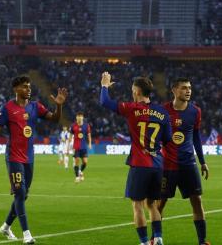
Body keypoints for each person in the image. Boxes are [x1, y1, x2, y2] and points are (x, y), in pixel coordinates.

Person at [0, 75, 67, 244]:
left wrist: (59, 105)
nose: (29, 89)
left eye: (29, 86)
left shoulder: (35, 106)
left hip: (29, 158)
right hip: (13, 157)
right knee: (20, 193)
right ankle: (27, 234)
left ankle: (5, 226)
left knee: (23, 195)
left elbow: (55, 119)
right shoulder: (7, 108)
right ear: (16, 89)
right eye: (25, 87)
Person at [99, 72, 172, 245]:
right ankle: (159, 238)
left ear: (138, 92)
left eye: (133, 90)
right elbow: (168, 139)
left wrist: (104, 85)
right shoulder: (162, 111)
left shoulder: (131, 108)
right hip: (157, 164)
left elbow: (104, 102)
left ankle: (145, 242)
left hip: (140, 164)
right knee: (152, 204)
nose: (132, 93)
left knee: (137, 204)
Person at [159, 78, 210, 245]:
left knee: (197, 201)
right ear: (174, 90)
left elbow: (196, 137)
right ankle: (155, 239)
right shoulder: (163, 110)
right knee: (160, 203)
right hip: (168, 164)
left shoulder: (195, 111)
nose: (188, 91)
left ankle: (202, 241)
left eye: (189, 88)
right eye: (183, 88)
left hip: (188, 164)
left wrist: (202, 162)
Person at [71, 112, 92, 182]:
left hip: (83, 147)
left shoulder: (86, 125)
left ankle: (80, 171)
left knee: (85, 162)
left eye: (81, 116)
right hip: (76, 147)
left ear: (83, 117)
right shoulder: (73, 126)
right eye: (78, 116)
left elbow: (89, 135)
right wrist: (69, 146)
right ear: (76, 117)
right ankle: (77, 177)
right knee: (77, 161)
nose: (79, 117)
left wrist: (90, 143)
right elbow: (70, 136)